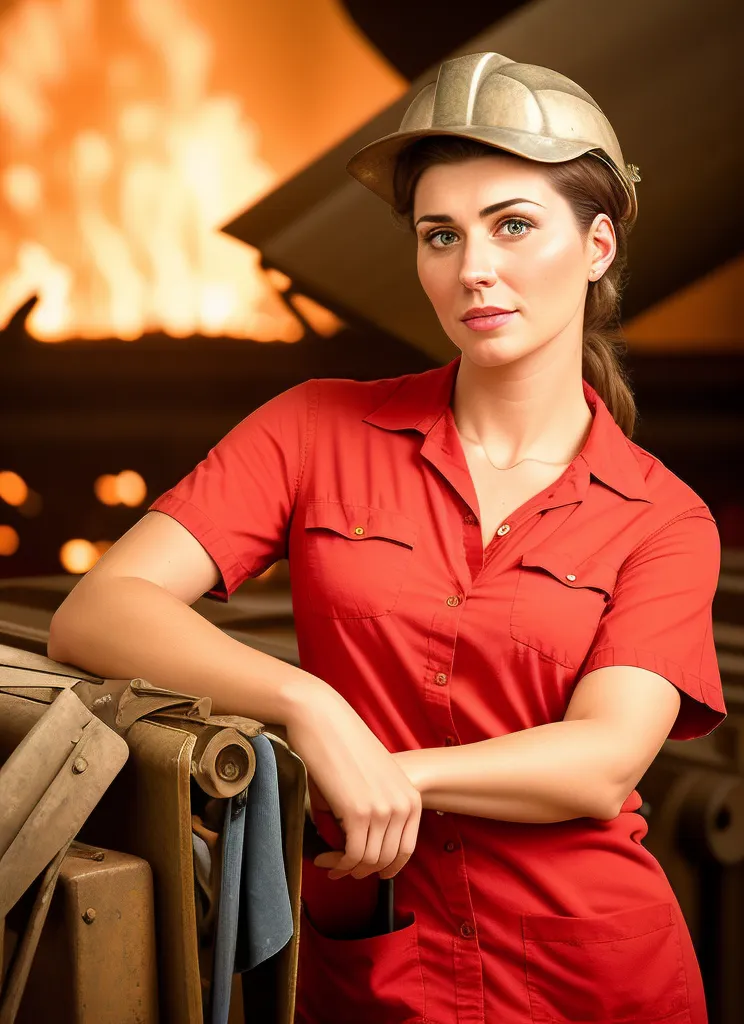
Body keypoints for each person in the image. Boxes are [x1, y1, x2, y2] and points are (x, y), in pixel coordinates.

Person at [48, 51, 726, 1024]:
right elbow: (100, 610)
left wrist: (393, 773)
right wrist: (308, 704)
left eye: (514, 225)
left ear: (599, 245)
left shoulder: (661, 516)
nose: (472, 270)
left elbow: (601, 759)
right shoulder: (313, 426)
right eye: (439, 234)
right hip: (378, 971)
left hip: (592, 976)